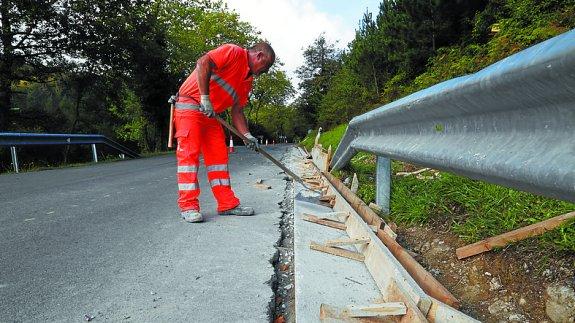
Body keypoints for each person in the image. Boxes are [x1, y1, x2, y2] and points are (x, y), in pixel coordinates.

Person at [171, 42, 275, 223]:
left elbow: (238, 110)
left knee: (218, 158)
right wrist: (205, 98)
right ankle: (188, 206)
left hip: (210, 115)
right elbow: (203, 62)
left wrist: (247, 136)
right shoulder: (233, 52)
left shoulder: (247, 80)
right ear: (258, 56)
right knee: (189, 159)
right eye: (264, 68)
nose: (262, 73)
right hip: (190, 106)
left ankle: (227, 204)